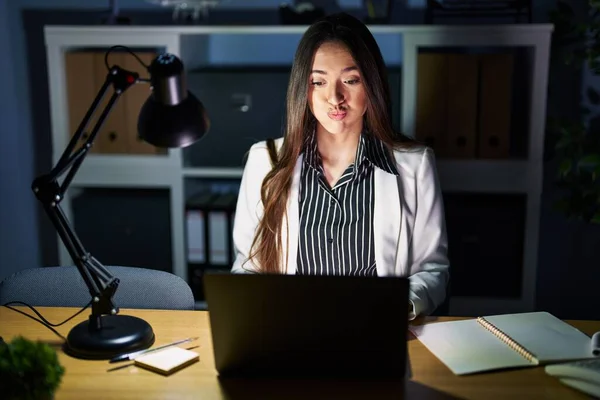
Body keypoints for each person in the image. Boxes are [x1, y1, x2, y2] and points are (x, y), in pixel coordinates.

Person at [231, 12, 449, 320]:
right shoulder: (265, 161)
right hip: (291, 333)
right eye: (318, 82)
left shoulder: (414, 164)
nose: (335, 97)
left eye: (350, 80)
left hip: (375, 333)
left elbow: (433, 270)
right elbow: (246, 269)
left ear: (371, 85)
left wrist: (401, 305)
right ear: (302, 90)